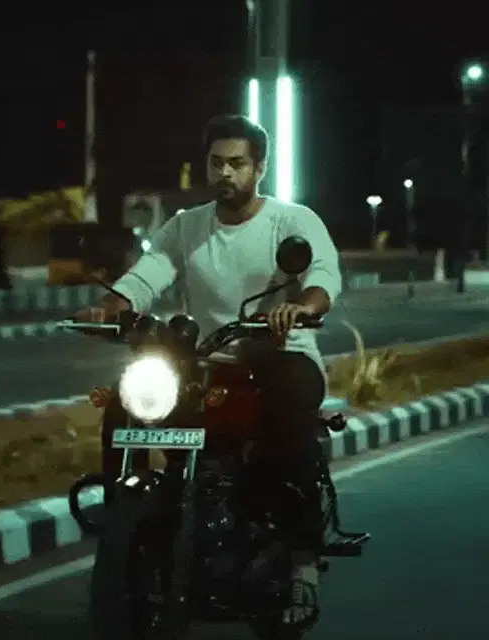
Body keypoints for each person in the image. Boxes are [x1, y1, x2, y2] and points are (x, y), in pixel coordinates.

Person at [76, 114, 341, 626]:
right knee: (123, 404)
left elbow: (323, 273)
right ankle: (124, 522)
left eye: (237, 163)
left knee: (290, 425)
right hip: (207, 361)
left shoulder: (292, 221)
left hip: (281, 353)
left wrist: (302, 307)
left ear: (259, 168)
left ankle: (302, 561)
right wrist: (109, 308)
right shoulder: (187, 225)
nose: (226, 173)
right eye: (217, 163)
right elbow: (148, 274)